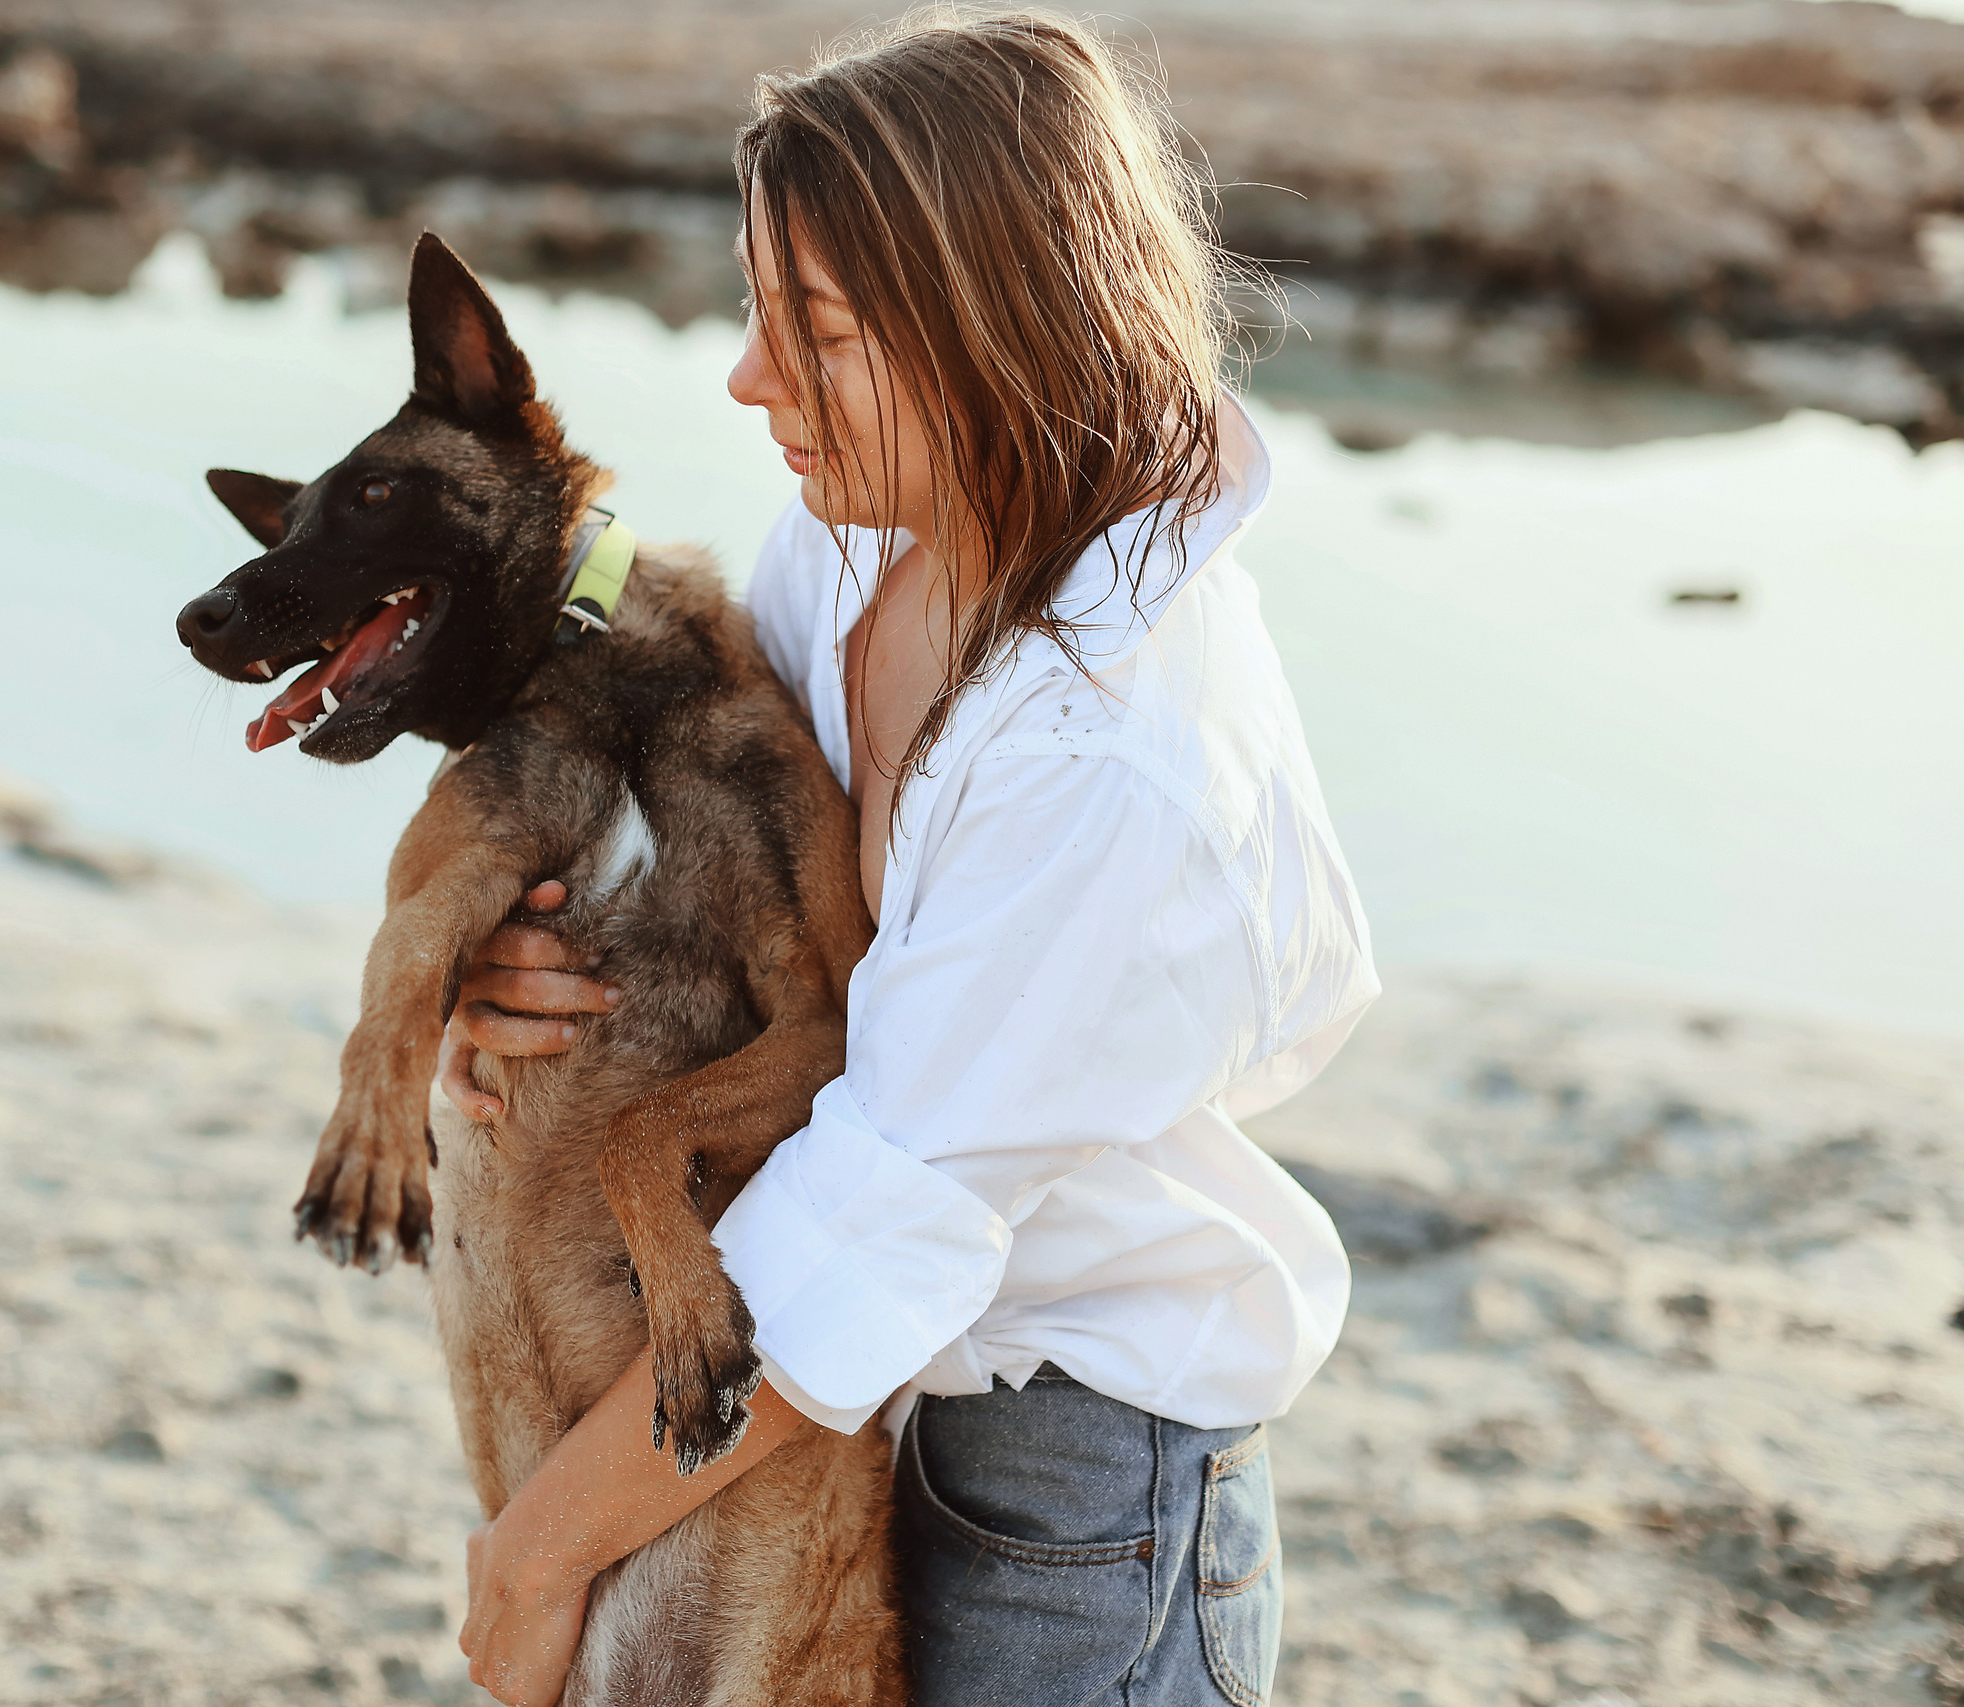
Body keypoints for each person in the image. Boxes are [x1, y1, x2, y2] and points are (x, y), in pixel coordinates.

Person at [440, 12, 1376, 1705]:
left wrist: (536, 1550)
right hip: (856, 1421)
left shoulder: (1117, 753)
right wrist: (508, 968)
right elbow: (709, 849)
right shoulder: (864, 547)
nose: (747, 378)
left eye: (821, 330)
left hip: (1080, 1504)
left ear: (1000, 329)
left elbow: (883, 1221)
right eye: (755, 308)